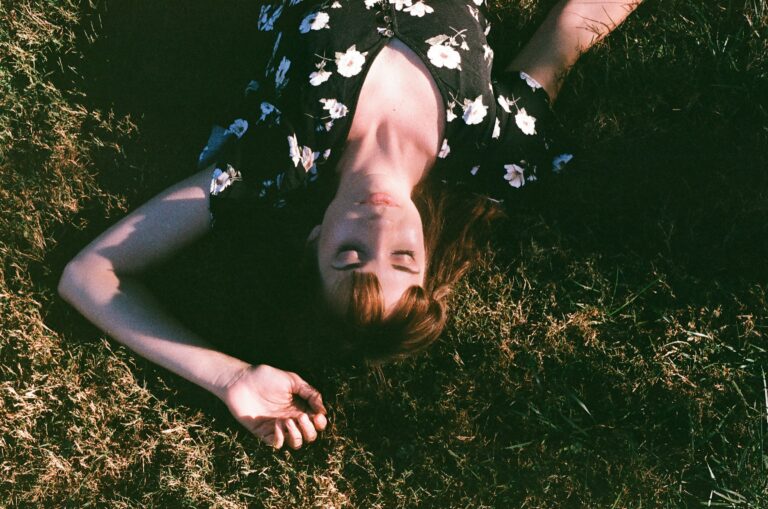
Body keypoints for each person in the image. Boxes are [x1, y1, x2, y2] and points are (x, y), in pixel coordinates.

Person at [58, 0, 642, 450]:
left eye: (350, 255)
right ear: (428, 255)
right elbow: (574, 27)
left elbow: (90, 273)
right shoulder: (492, 149)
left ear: (315, 240)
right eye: (403, 259)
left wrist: (228, 377)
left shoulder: (279, 160)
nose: (380, 229)